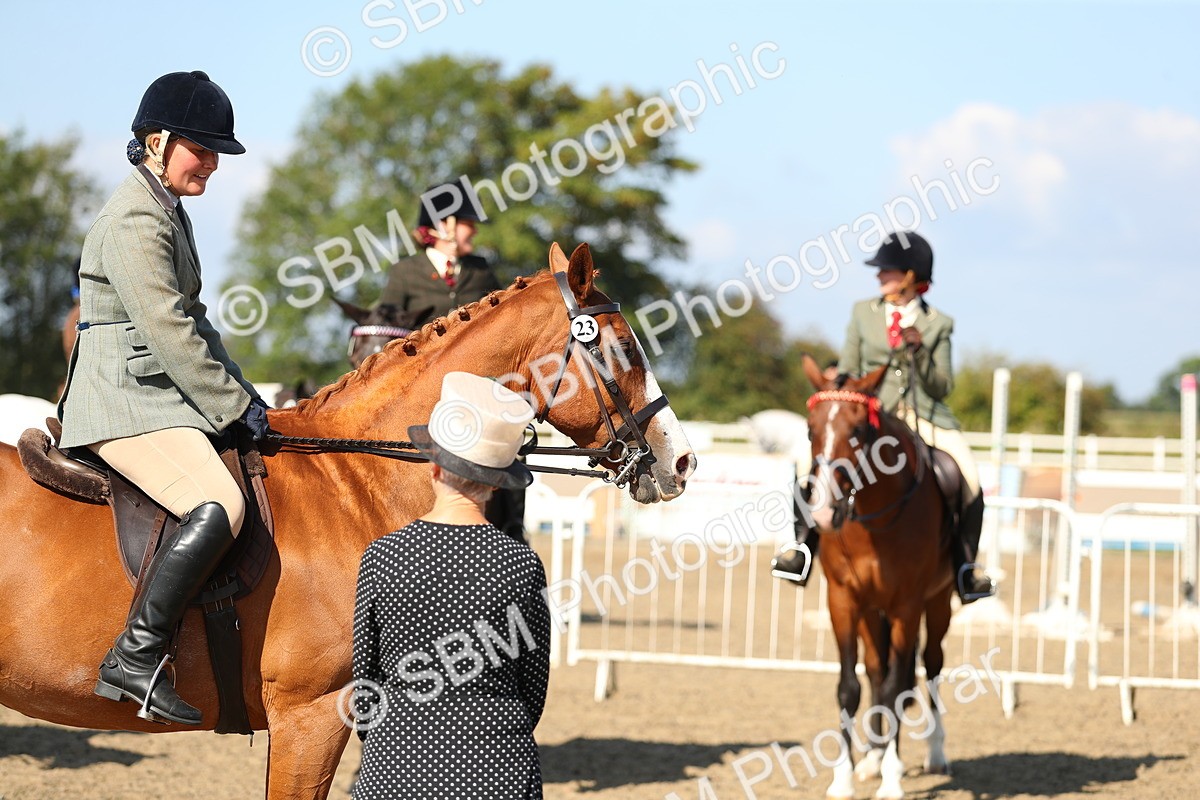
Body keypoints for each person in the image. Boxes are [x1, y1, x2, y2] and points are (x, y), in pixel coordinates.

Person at [57, 70, 270, 725]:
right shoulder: (134, 217)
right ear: (157, 141)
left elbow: (197, 320)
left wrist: (246, 397)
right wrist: (230, 409)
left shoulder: (168, 210)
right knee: (219, 502)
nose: (211, 163)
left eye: (216, 153)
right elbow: (167, 329)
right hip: (120, 401)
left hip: (155, 397)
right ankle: (137, 654)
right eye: (200, 149)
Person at [352, 371, 551, 799]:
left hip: (395, 768)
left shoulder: (382, 556)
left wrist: (394, 741)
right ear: (497, 481)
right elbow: (533, 690)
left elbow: (364, 684)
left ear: (435, 466)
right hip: (499, 772)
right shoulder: (522, 565)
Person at [772, 231, 995, 604]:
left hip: (925, 415)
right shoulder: (863, 313)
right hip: (870, 414)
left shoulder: (939, 323)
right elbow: (848, 367)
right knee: (803, 461)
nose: (878, 276)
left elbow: (942, 386)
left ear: (909, 275)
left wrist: (921, 353)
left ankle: (966, 567)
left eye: (886, 271)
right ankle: (801, 547)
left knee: (968, 475)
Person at [379, 179, 528, 543]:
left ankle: (512, 532)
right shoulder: (405, 272)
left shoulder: (481, 270)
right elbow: (386, 333)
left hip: (473, 391)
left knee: (511, 448)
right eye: (465, 222)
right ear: (442, 225)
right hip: (417, 389)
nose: (473, 230)